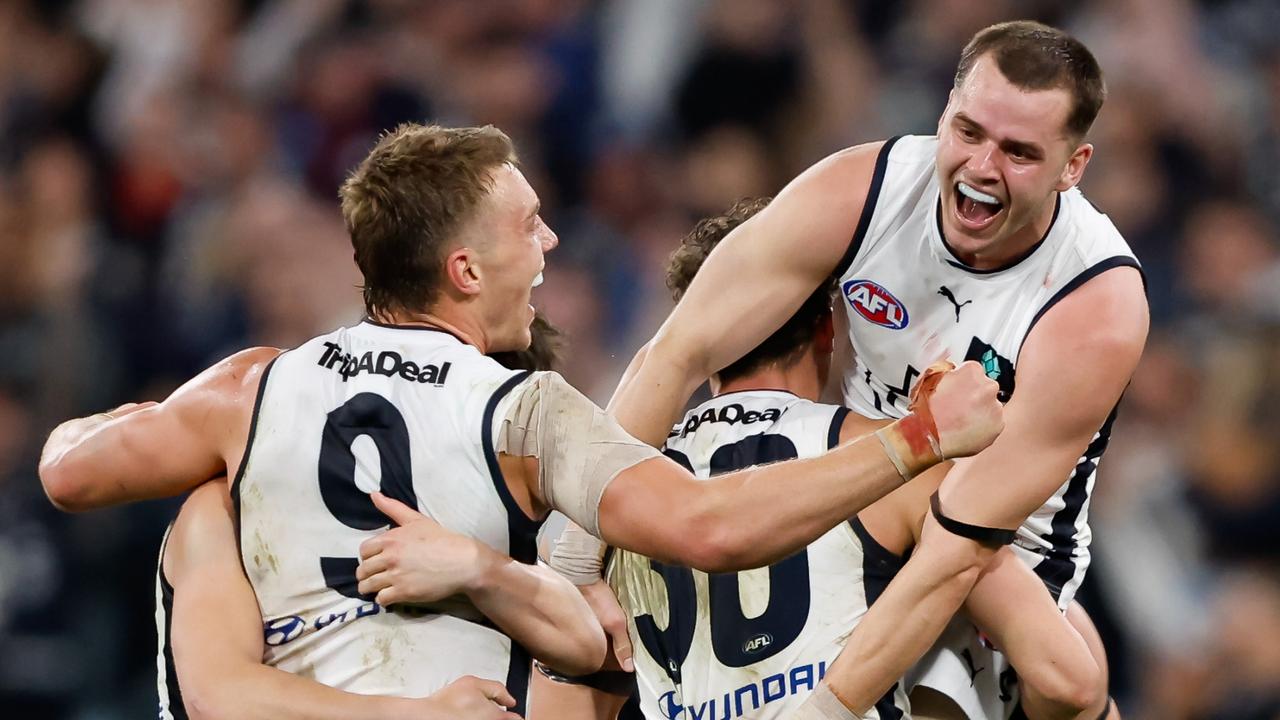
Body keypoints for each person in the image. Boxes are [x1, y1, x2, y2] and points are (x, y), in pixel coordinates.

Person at [38, 124, 1005, 712]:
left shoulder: (251, 390)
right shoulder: (526, 412)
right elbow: (714, 526)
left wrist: (166, 426)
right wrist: (917, 440)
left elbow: (68, 470)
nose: (547, 241)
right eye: (527, 224)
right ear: (464, 271)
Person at [606, 21, 1146, 720]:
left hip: (989, 541)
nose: (982, 167)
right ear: (944, 111)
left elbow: (959, 544)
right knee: (1077, 678)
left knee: (1060, 686)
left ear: (1073, 167)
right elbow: (673, 352)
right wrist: (578, 566)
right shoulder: (860, 191)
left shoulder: (1093, 305)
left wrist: (826, 711)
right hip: (870, 485)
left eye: (1018, 152)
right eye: (969, 131)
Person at [534, 199, 1108, 720]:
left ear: (701, 341)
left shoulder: (615, 508)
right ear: (828, 329)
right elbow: (1067, 681)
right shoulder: (904, 469)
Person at [154, 315, 572, 720]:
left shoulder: (510, 553)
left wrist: (490, 572)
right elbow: (220, 699)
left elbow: (588, 649)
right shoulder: (223, 514)